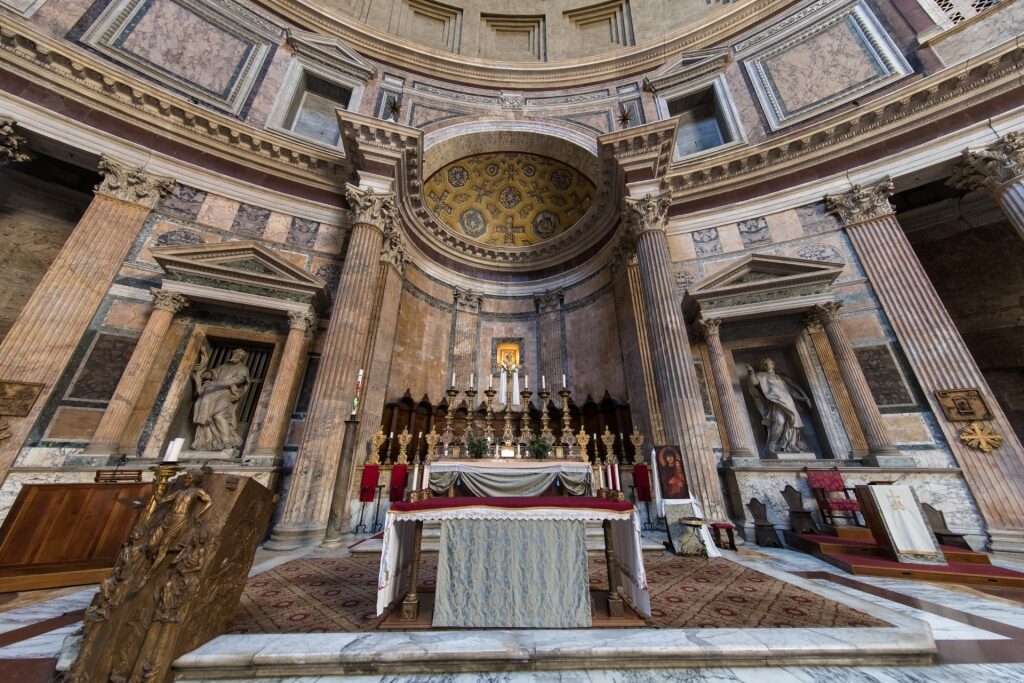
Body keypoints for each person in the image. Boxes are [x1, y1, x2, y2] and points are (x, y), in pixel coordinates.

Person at [745, 358, 812, 454]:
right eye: (766, 363)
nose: (768, 365)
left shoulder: (781, 377)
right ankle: (772, 444)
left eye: (770, 363)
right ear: (763, 366)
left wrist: (802, 398)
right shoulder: (761, 375)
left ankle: (791, 445)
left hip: (788, 402)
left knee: (792, 423)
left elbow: (791, 391)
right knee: (779, 421)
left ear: (773, 364)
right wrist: (751, 371)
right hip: (775, 402)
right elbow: (753, 382)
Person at [191, 348, 251, 452]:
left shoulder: (243, 369)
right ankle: (210, 441)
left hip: (226, 392)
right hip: (211, 393)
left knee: (219, 415)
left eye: (238, 356)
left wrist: (213, 383)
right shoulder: (224, 366)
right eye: (234, 354)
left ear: (241, 358)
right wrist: (203, 374)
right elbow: (213, 375)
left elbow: (235, 380)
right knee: (205, 412)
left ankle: (226, 441)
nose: (235, 357)